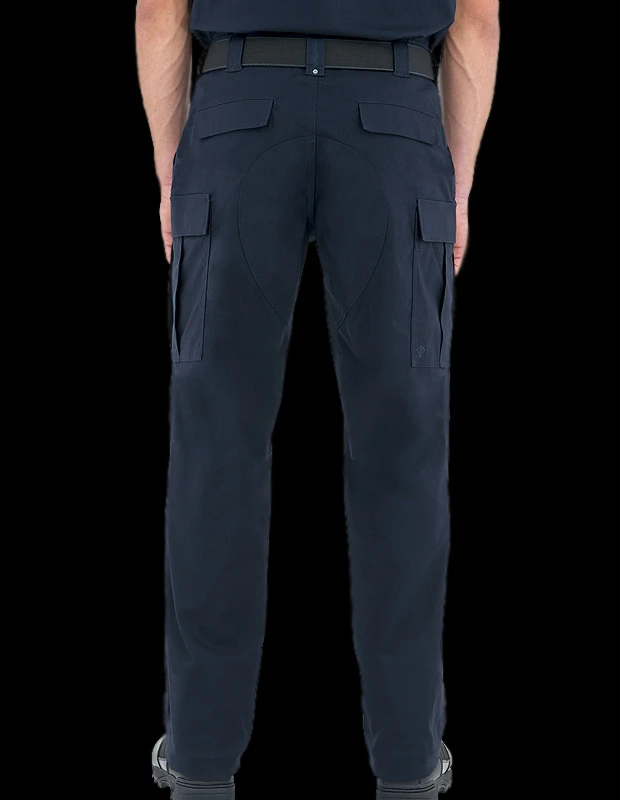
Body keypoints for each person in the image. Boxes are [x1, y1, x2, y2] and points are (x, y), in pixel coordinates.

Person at [136, 1, 500, 798]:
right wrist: (461, 181)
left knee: (216, 450)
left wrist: (171, 168)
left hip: (237, 114)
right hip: (395, 117)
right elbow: (475, 18)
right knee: (402, 452)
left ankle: (201, 758)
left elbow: (161, 12)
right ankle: (408, 762)